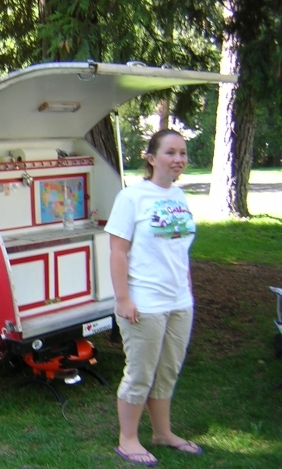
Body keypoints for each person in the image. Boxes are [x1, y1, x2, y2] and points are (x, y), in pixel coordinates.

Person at [104, 129, 202, 466]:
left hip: (179, 301)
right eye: (171, 152)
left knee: (168, 371)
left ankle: (163, 433)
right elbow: (118, 251)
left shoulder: (180, 196)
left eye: (183, 153)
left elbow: (179, 247)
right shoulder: (132, 198)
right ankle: (127, 439)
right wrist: (123, 299)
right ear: (151, 158)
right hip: (144, 302)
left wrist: (186, 287)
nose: (178, 159)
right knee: (140, 373)